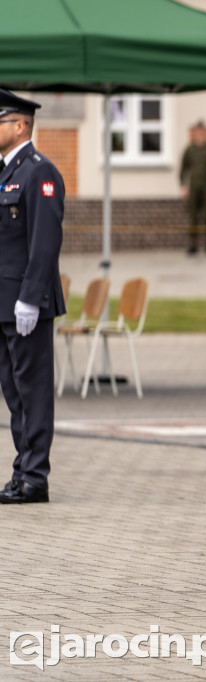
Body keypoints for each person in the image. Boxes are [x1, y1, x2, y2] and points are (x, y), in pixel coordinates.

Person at [0, 89, 65, 505]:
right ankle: (22, 470)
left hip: (26, 305)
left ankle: (34, 477)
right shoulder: (5, 172)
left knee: (33, 391)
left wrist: (30, 297)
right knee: (13, 391)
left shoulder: (39, 173)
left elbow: (44, 242)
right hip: (4, 304)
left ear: (20, 125)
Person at [179, 121, 206, 255]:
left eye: (202, 131)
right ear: (195, 132)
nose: (200, 133)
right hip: (193, 186)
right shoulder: (190, 149)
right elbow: (183, 168)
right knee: (193, 215)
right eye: (198, 131)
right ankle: (193, 245)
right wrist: (183, 186)